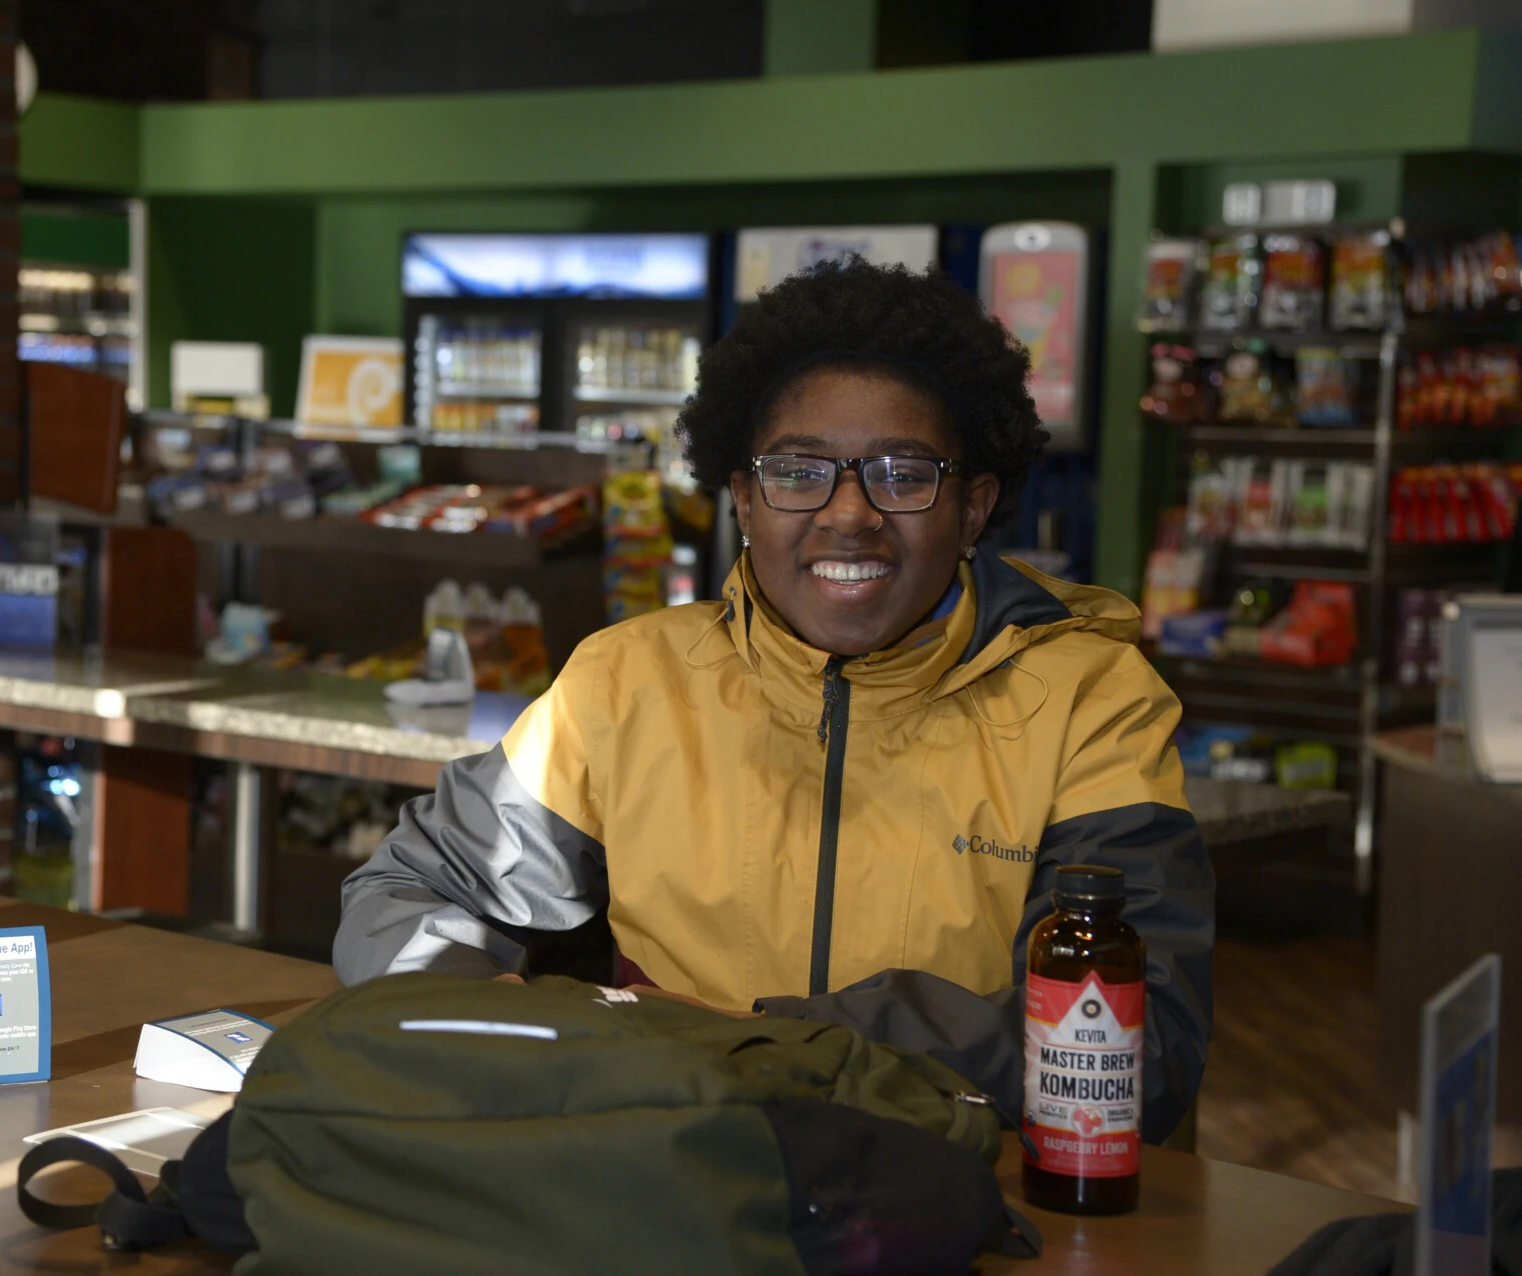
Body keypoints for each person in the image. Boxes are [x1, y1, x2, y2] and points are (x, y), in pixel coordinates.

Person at [335, 259, 1214, 1141]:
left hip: (959, 1200)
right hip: (667, 1181)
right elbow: (413, 888)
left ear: (973, 507)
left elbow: (1142, 1044)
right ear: (745, 499)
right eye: (799, 472)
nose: (848, 514)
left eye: (902, 475)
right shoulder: (627, 684)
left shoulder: (1089, 702)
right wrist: (486, 1011)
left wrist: (763, 1044)